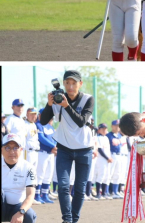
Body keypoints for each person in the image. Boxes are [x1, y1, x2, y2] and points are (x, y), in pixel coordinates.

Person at [40, 70, 94, 223]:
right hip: (64, 148)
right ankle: (67, 220)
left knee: (79, 189)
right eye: (67, 83)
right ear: (63, 84)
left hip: (85, 150)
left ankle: (74, 220)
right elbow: (43, 121)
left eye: (74, 83)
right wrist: (49, 104)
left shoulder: (88, 99)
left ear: (80, 84)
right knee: (63, 186)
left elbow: (81, 121)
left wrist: (66, 106)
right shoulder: (58, 99)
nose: (70, 86)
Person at [1, 133, 37, 223]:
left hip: (17, 207)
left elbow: (30, 195)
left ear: (21, 150)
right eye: (8, 147)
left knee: (29, 215)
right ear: (2, 149)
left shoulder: (28, 167)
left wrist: (21, 212)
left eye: (15, 148)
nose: (12, 152)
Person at [35, 110, 57, 205]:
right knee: (40, 174)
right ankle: (37, 195)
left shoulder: (50, 126)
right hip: (42, 152)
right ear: (40, 115)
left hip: (50, 154)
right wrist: (53, 146)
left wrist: (54, 146)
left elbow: (54, 138)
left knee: (48, 175)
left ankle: (45, 195)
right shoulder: (38, 125)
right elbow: (41, 138)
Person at [22, 108, 41, 205]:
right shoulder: (24, 124)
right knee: (27, 174)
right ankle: (25, 197)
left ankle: (31, 197)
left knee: (33, 175)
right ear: (27, 114)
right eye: (32, 114)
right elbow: (24, 140)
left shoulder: (33, 124)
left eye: (35, 114)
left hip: (35, 152)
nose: (34, 116)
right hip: (28, 152)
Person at [93, 123, 112, 200]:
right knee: (101, 175)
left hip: (107, 159)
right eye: (103, 128)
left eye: (105, 128)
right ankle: (98, 193)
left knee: (107, 176)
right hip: (101, 159)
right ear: (99, 130)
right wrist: (107, 158)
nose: (104, 130)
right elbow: (100, 149)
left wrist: (109, 157)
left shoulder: (106, 138)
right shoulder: (98, 138)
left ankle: (104, 193)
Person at [105, 120, 123, 199]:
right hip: (112, 155)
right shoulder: (108, 135)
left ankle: (115, 192)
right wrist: (108, 156)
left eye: (118, 125)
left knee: (117, 174)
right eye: (115, 125)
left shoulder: (119, 135)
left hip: (119, 155)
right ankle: (107, 192)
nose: (117, 127)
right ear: (112, 126)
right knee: (109, 174)